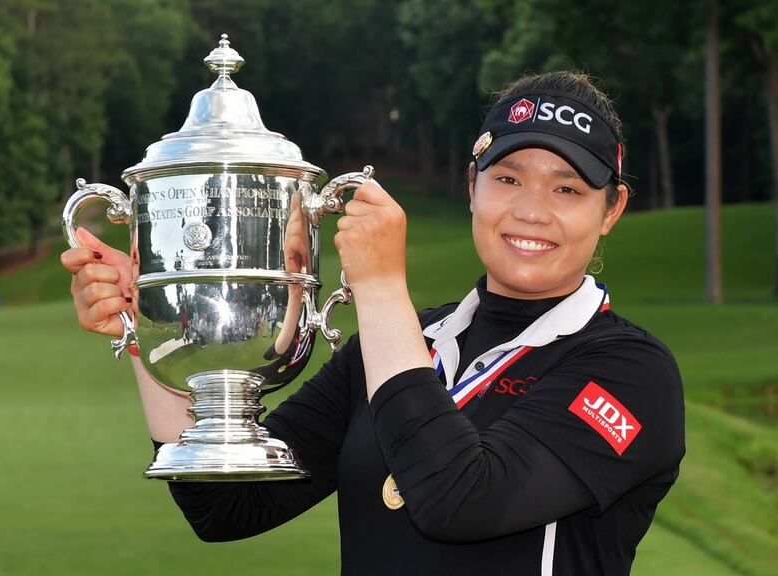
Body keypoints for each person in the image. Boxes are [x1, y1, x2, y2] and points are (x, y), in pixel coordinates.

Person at [60, 71, 685, 576]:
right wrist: (149, 325)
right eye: (507, 178)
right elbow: (226, 507)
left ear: (612, 209)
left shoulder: (629, 371)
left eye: (568, 190)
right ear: (473, 186)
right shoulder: (397, 347)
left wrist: (381, 286)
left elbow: (460, 500)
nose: (530, 210)